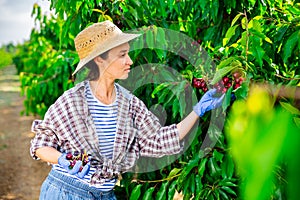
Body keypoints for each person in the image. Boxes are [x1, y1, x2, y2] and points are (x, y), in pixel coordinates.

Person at [30, 20, 224, 200]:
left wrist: (198, 111)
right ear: (99, 59)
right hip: (66, 192)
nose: (130, 61)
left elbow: (159, 140)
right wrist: (62, 159)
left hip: (105, 194)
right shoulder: (72, 101)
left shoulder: (130, 104)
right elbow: (40, 144)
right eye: (122, 55)